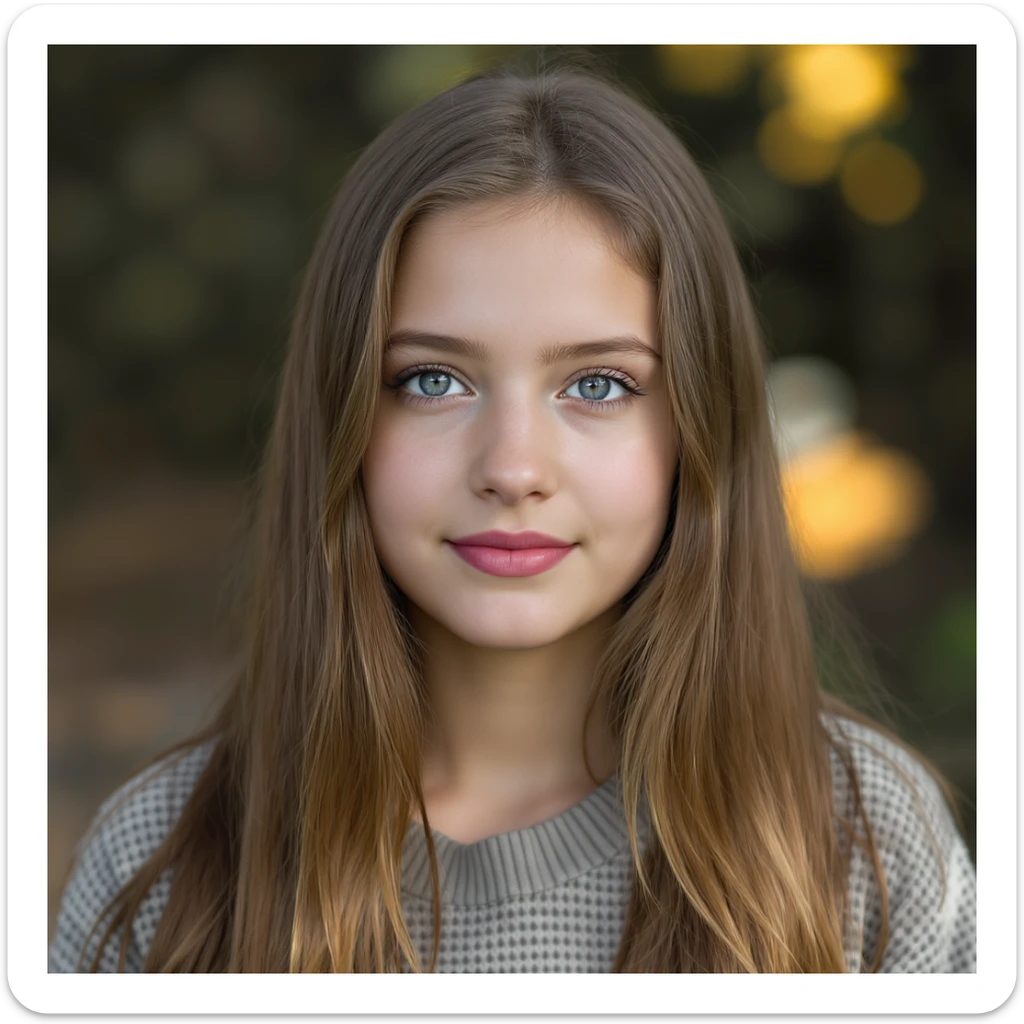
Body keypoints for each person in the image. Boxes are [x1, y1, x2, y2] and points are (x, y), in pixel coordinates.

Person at [48, 56, 976, 974]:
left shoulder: (864, 844)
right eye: (433, 380)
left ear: (701, 420)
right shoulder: (165, 867)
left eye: (600, 384)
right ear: (342, 419)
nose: (515, 468)